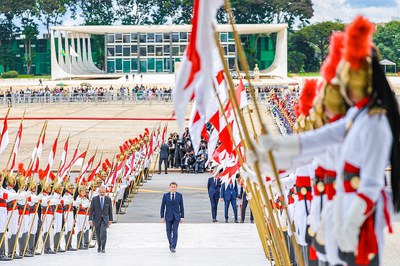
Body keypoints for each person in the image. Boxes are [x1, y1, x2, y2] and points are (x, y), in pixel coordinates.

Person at [160, 182, 184, 253]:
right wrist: (162, 216)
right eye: (172, 187)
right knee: (168, 231)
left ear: (176, 188)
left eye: (174, 187)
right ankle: (171, 243)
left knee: (175, 232)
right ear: (169, 187)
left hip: (176, 216)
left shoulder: (179, 195)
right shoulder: (165, 195)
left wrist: (182, 216)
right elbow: (162, 206)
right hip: (168, 216)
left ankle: (173, 246)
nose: (173, 188)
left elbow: (181, 206)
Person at [89, 186, 113, 253]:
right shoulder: (94, 199)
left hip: (105, 219)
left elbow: (110, 210)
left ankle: (103, 247)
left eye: (103, 192)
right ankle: (99, 246)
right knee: (98, 233)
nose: (102, 193)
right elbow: (91, 210)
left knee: (103, 232)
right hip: (96, 219)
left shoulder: (108, 199)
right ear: (98, 192)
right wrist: (90, 219)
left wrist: (110, 219)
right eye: (101, 192)